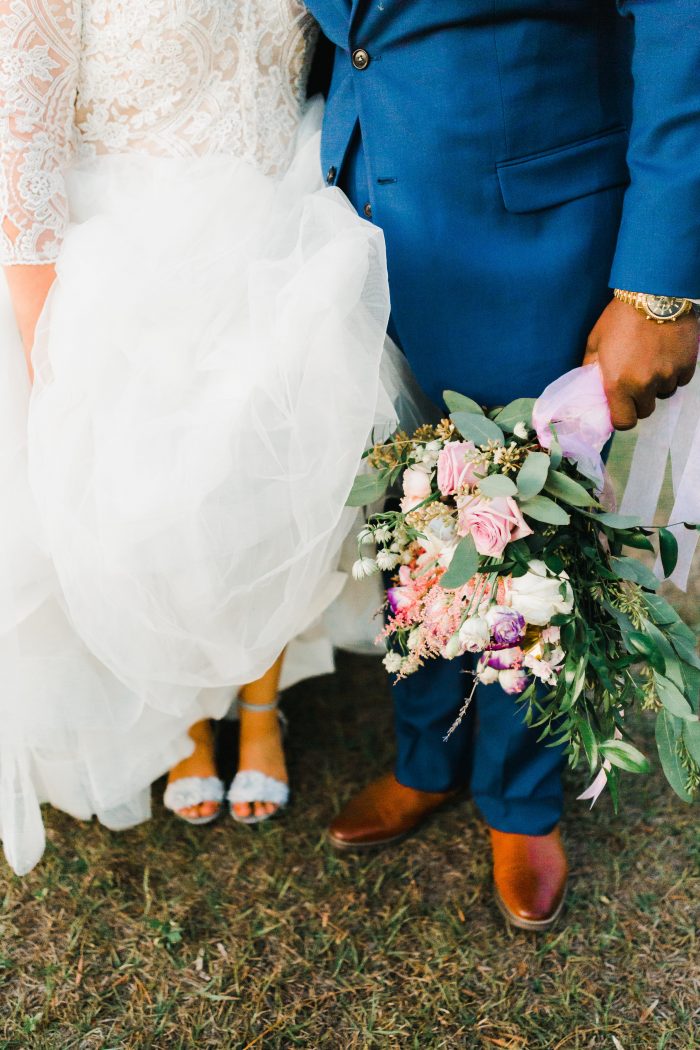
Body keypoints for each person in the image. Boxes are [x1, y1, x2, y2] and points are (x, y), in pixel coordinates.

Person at [306, 1, 700, 929]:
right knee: (406, 501)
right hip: (347, 213)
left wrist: (663, 284)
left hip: (531, 215)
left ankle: (520, 798)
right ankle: (425, 755)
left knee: (530, 520)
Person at [0, 0, 395, 872]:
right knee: (156, 505)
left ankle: (258, 706)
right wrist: (44, 343)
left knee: (284, 472)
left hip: (288, 220)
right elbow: (21, 140)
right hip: (127, 257)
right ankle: (183, 718)